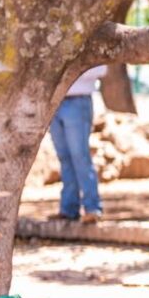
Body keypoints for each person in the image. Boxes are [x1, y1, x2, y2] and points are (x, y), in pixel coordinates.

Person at [51, 65, 107, 223]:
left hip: (78, 99)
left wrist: (69, 70)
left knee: (79, 155)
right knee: (64, 156)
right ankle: (68, 208)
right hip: (54, 101)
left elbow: (101, 69)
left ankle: (92, 207)